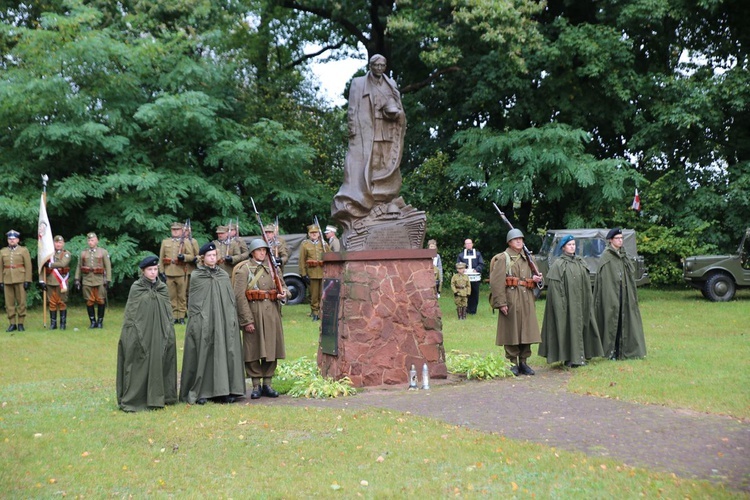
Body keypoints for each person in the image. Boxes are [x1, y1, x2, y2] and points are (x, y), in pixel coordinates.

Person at [331, 54, 406, 229]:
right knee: (368, 162)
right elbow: (352, 107)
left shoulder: (391, 84)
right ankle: (366, 198)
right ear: (370, 66)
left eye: (382, 65)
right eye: (376, 65)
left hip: (386, 127)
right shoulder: (358, 83)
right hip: (366, 128)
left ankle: (381, 199)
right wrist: (352, 129)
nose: (379, 68)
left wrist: (396, 114)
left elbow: (398, 104)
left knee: (384, 161)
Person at [180, 242, 246, 404]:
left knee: (224, 352)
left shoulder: (223, 275)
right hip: (204, 321)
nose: (212, 258)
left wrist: (230, 319)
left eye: (215, 255)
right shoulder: (197, 276)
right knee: (205, 353)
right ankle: (203, 392)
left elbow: (229, 301)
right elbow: (195, 303)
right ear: (203, 258)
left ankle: (224, 391)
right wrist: (200, 321)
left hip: (222, 322)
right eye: (209, 256)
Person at [116, 256, 178, 412]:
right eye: (150, 269)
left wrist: (168, 331)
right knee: (139, 362)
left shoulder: (162, 288)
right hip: (142, 333)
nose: (153, 272)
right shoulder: (137, 288)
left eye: (155, 269)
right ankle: (137, 398)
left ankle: (161, 397)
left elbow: (167, 312)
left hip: (160, 333)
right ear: (143, 271)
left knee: (161, 359)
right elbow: (132, 314)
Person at [233, 239, 288, 399]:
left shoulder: (273, 269)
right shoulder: (244, 270)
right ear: (252, 252)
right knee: (253, 349)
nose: (262, 253)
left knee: (272, 347)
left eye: (264, 250)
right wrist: (247, 320)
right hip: (254, 313)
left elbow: (284, 287)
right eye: (259, 250)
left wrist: (284, 294)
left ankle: (267, 384)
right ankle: (256, 384)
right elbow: (239, 297)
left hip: (271, 313)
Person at [539, 235, 604, 367]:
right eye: (569, 245)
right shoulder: (558, 265)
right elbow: (555, 290)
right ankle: (569, 358)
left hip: (581, 303)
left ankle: (581, 356)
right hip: (566, 304)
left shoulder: (580, 262)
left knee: (583, 326)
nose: (572, 247)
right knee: (567, 327)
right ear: (563, 248)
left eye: (574, 244)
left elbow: (586, 285)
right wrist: (562, 305)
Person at [489, 229, 543, 376]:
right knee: (511, 331)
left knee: (527, 331)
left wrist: (536, 279)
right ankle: (512, 362)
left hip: (527, 299)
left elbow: (536, 278)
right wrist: (501, 303)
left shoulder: (528, 258)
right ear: (509, 242)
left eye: (521, 239)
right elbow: (496, 283)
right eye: (515, 239)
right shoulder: (503, 258)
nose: (519, 241)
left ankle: (524, 362)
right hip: (511, 298)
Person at [593, 228, 647, 360]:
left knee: (626, 320)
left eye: (621, 238)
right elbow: (604, 280)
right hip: (611, 295)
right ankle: (611, 351)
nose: (620, 241)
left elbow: (628, 276)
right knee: (612, 321)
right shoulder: (606, 257)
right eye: (617, 238)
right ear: (611, 240)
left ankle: (626, 350)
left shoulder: (624, 256)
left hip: (624, 294)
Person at [159, 222, 196, 324]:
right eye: (173, 230)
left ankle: (181, 316)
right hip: (169, 272)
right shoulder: (165, 242)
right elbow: (161, 258)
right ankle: (173, 316)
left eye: (177, 230)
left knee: (182, 295)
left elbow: (192, 256)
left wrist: (183, 257)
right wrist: (161, 271)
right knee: (171, 295)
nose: (175, 231)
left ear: (182, 231)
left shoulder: (186, 242)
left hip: (181, 272)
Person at [74, 232, 112, 329]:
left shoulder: (103, 252)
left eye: (92, 240)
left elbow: (108, 267)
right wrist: (77, 279)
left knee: (100, 300)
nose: (90, 242)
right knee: (89, 301)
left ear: (97, 241)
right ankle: (92, 321)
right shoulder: (83, 253)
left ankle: (100, 321)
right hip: (87, 280)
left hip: (99, 280)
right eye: (89, 240)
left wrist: (108, 280)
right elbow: (79, 266)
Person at [1, 230, 32, 332]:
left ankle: (21, 323)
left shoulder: (23, 250)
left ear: (18, 240)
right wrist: (1, 281)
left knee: (21, 301)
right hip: (7, 279)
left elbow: (28, 266)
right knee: (9, 303)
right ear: (7, 240)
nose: (12, 240)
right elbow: (0, 267)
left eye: (14, 239)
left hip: (20, 278)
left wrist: (27, 280)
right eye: (10, 239)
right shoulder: (2, 251)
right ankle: (12, 323)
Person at [39, 235, 72, 330]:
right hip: (50, 281)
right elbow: (42, 267)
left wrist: (49, 264)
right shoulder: (49, 255)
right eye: (56, 242)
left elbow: (63, 264)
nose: (58, 244)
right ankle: (53, 324)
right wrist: (41, 280)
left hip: (61, 282)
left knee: (62, 302)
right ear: (53, 243)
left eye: (60, 242)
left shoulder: (66, 254)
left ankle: (62, 324)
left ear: (63, 244)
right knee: (52, 303)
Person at [298, 224, 330, 321]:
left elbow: (330, 256)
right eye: (312, 233)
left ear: (319, 233)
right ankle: (315, 312)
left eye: (315, 232)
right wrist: (303, 274)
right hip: (312, 273)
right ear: (309, 234)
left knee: (323, 294)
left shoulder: (323, 244)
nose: (314, 234)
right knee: (314, 295)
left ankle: (322, 312)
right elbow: (302, 260)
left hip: (322, 272)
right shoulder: (305, 245)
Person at [456, 239, 484, 314]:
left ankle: (473, 310)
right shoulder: (461, 255)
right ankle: (465, 309)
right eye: (466, 244)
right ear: (464, 245)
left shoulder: (477, 254)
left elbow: (481, 264)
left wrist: (477, 269)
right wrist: (462, 269)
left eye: (469, 243)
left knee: (474, 293)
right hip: (464, 278)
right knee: (465, 293)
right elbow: (458, 265)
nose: (468, 245)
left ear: (472, 244)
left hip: (475, 278)